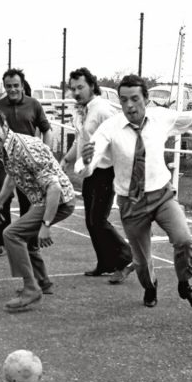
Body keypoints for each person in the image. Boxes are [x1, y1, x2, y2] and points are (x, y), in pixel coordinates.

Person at [79, 73, 192, 308]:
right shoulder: (111, 127)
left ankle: (184, 284)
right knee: (141, 262)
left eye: (135, 99)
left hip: (161, 195)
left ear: (146, 99)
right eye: (124, 99)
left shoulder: (161, 118)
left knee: (184, 240)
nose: (129, 105)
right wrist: (87, 162)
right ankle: (150, 287)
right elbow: (90, 161)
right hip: (132, 202)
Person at [0, 106, 75, 311]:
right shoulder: (3, 148)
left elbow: (54, 187)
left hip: (57, 200)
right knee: (25, 237)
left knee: (11, 235)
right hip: (41, 200)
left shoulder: (24, 148)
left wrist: (46, 225)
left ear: (5, 126)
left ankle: (31, 289)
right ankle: (42, 282)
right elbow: (12, 177)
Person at [61, 67, 134, 284]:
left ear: (92, 85)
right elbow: (80, 141)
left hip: (106, 171)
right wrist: (66, 159)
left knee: (98, 220)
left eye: (80, 87)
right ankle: (105, 263)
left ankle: (127, 256)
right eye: (73, 88)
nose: (76, 92)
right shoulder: (82, 111)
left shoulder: (102, 109)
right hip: (90, 171)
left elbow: (121, 134)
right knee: (91, 222)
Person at [0, 68, 54, 257]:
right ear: (5, 87)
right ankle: (1, 242)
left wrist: (46, 154)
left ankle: (30, 242)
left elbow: (47, 130)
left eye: (16, 85)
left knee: (30, 203)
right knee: (2, 200)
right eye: (9, 86)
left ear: (22, 86)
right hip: (4, 163)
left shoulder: (34, 105)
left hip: (29, 164)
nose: (12, 89)